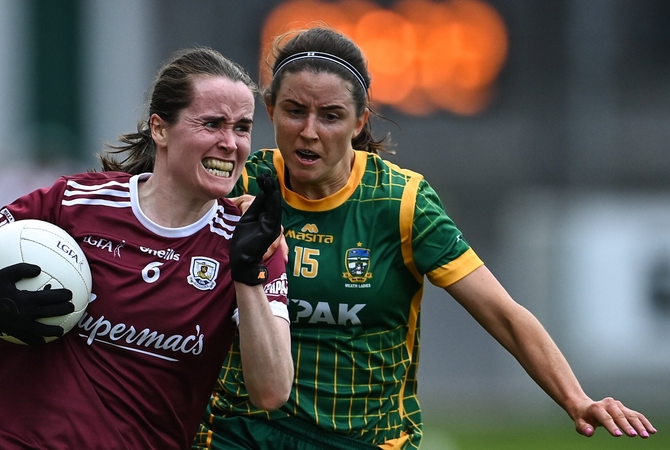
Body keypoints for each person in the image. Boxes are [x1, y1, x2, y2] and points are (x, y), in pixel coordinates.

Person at [194, 27, 657, 449]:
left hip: (365, 440)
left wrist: (576, 399)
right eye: (294, 111)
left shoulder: (402, 203)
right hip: (242, 433)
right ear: (271, 109)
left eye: (331, 116)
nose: (309, 132)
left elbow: (504, 314)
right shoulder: (239, 185)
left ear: (359, 123)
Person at [0, 47, 293, 450]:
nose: (230, 143)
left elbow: (271, 391)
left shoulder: (251, 241)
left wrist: (247, 275)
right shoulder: (73, 203)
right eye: (213, 124)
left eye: (242, 127)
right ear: (160, 129)